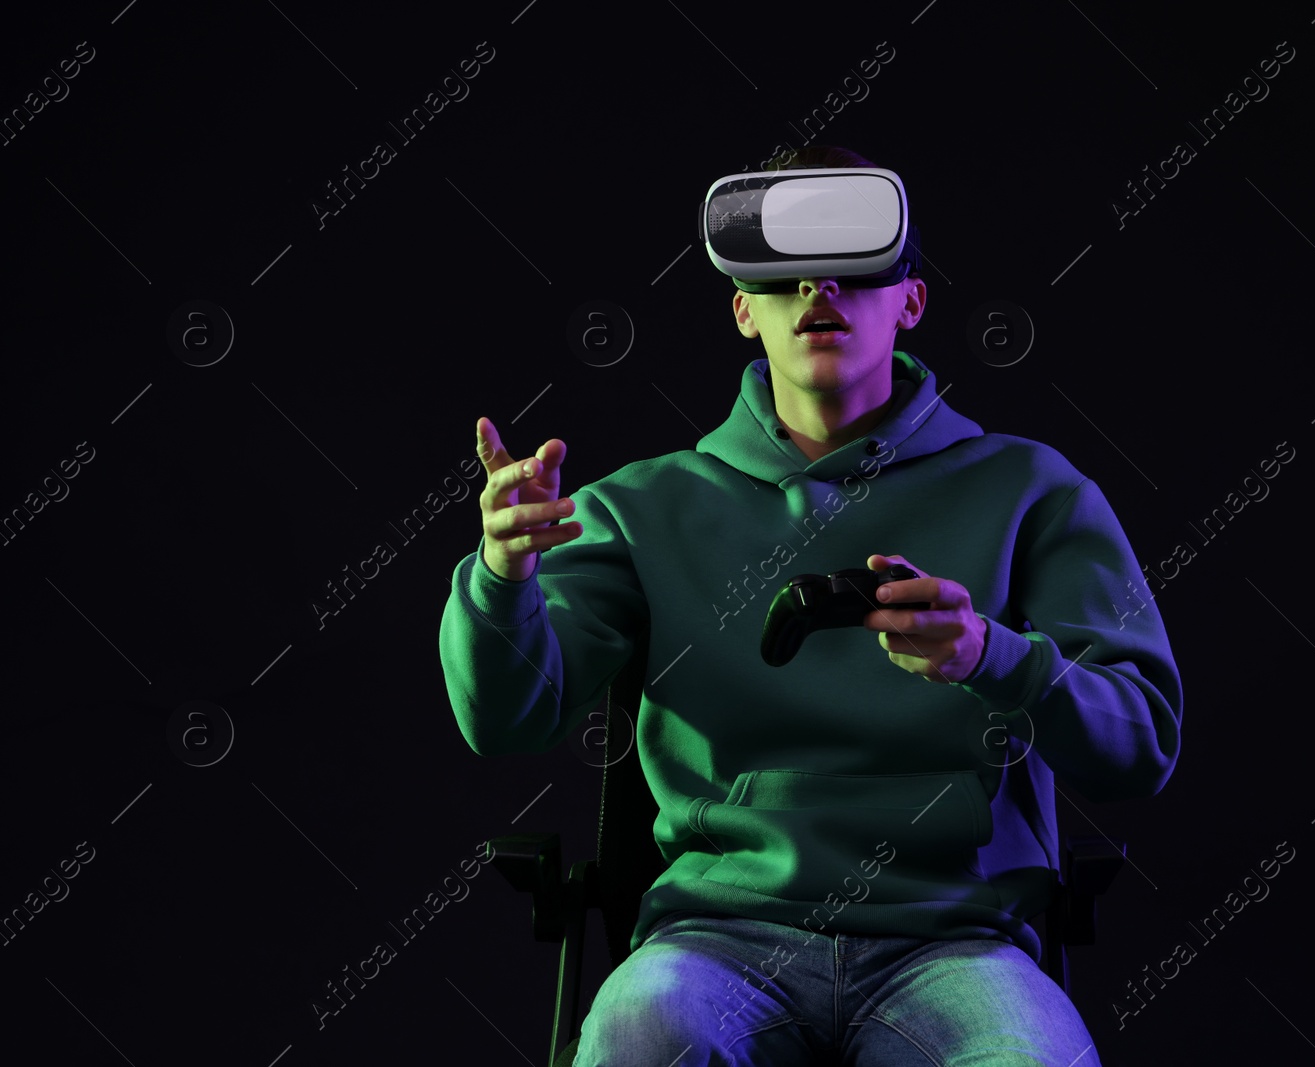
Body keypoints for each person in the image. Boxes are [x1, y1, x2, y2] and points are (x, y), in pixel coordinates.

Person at [439, 145, 1183, 1066]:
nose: (816, 294)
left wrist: (994, 655)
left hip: (954, 939)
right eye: (784, 280)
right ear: (744, 310)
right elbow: (504, 720)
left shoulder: (1032, 489)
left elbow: (1142, 743)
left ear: (910, 302)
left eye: (851, 272)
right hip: (716, 939)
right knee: (639, 1032)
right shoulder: (639, 507)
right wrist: (501, 578)